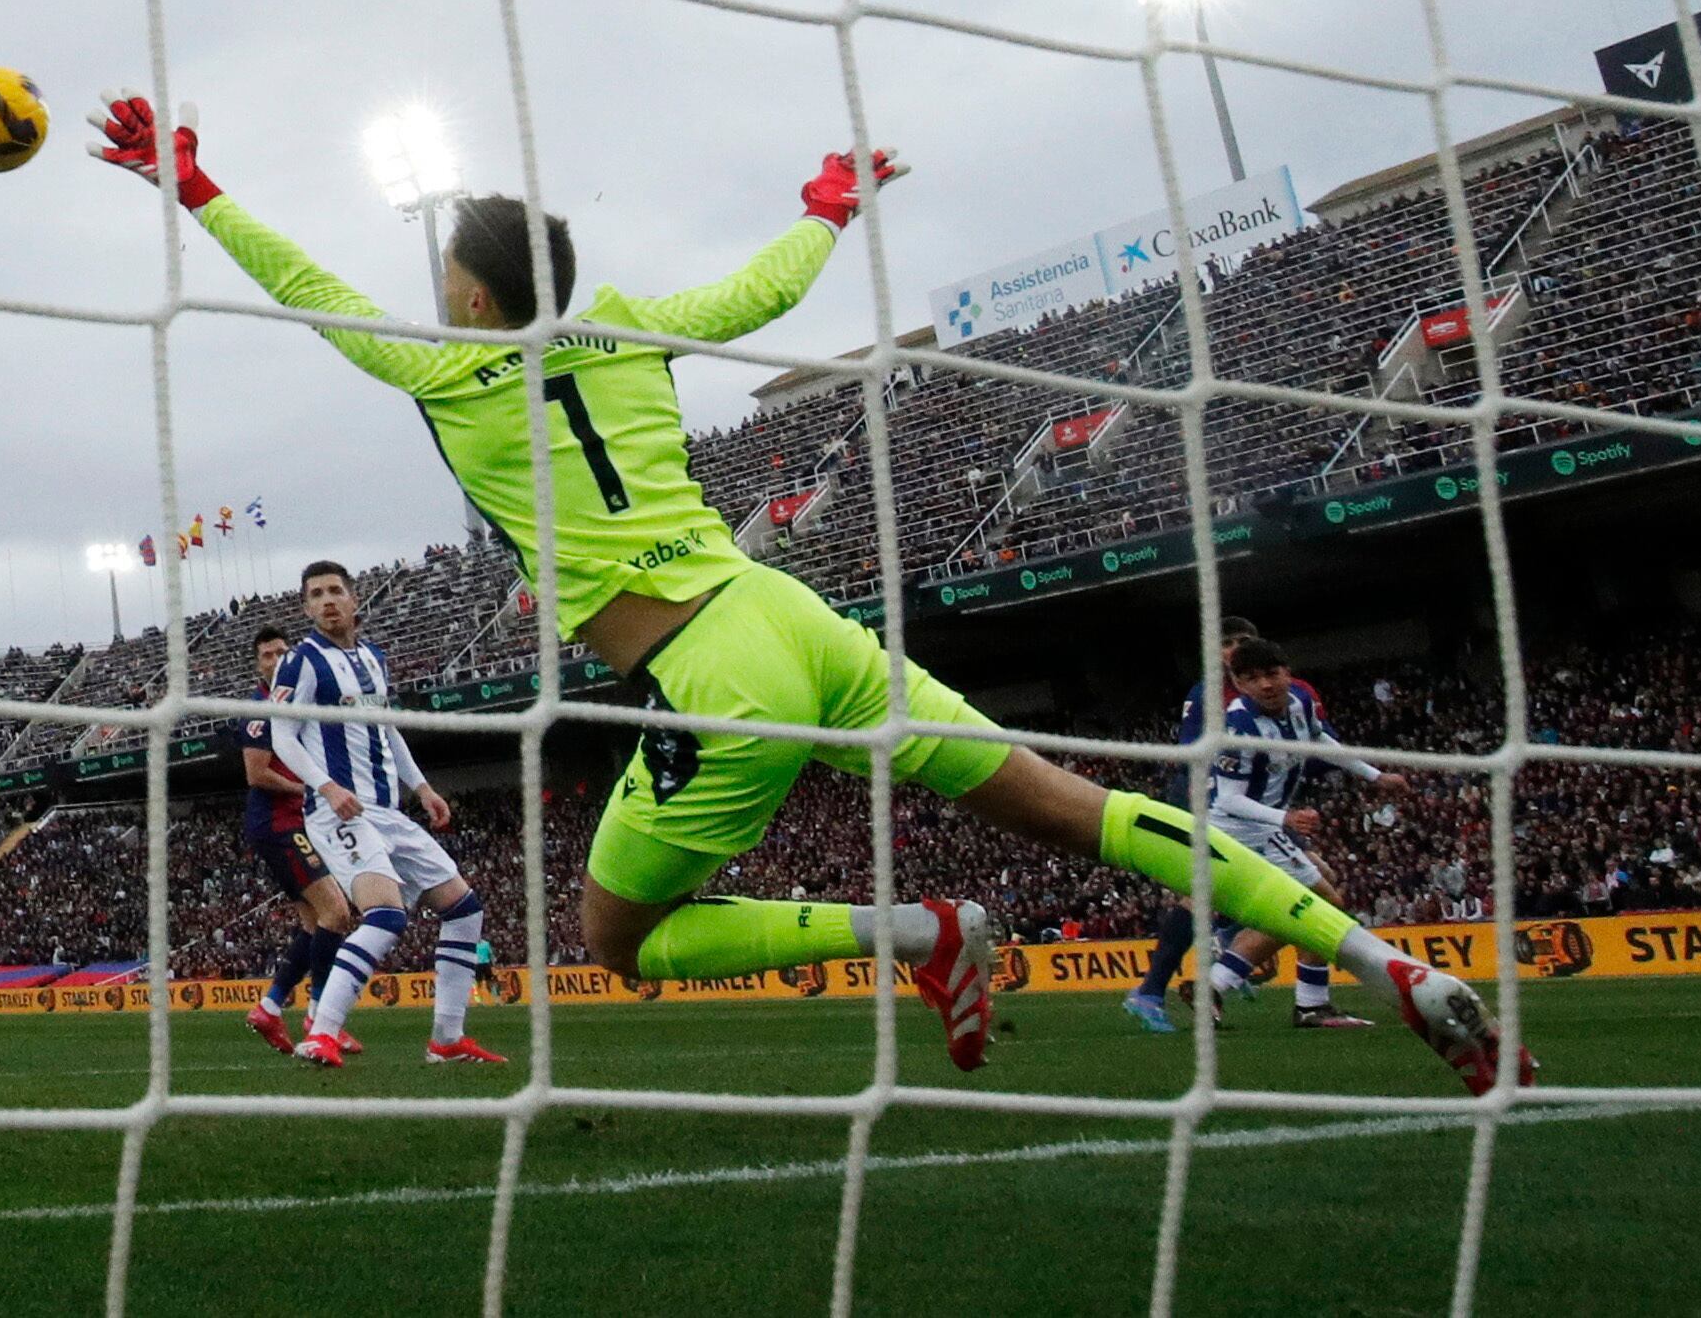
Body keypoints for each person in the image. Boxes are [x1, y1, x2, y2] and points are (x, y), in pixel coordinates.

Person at [91, 99, 1521, 1093]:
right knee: (1067, 800)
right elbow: (760, 293)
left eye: (444, 272)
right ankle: (1376, 959)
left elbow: (299, 283)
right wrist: (827, 209)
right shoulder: (632, 324)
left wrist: (191, 187)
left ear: (467, 298)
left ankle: (916, 930)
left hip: (711, 674)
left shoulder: (435, 365)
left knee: (615, 942)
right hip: (798, 617)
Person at [269, 561, 499, 1068]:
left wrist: (421, 787)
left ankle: (447, 1038)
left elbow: (385, 728)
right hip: (339, 812)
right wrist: (326, 787)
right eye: (315, 595)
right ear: (307, 607)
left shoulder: (372, 658)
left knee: (465, 910)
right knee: (387, 915)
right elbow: (282, 734)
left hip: (387, 811)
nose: (326, 601)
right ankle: (322, 1033)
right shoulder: (301, 662)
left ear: (354, 599)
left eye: (335, 591)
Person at [1196, 639, 1389, 1029]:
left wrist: (1375, 775)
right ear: (1237, 683)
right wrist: (1284, 820)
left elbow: (1318, 740)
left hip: (1265, 826)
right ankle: (1308, 1005)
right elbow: (1230, 800)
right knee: (1324, 904)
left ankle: (1217, 985)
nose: (1265, 685)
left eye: (1271, 674)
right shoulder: (1237, 727)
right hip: (1239, 830)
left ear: (1287, 672)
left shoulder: (1300, 701)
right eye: (1251, 678)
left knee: (1300, 907)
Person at [1123, 616, 1257, 1035]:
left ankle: (1220, 950)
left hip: (1244, 801)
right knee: (1204, 893)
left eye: (1243, 641)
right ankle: (1153, 990)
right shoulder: (1208, 694)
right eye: (1227, 642)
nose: (1235, 648)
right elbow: (1195, 755)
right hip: (1204, 796)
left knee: (1263, 884)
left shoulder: (1253, 692)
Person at [234, 623, 357, 1055]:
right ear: (258, 663)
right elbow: (256, 773)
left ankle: (270, 1008)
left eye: (282, 653)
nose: (275, 661)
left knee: (314, 924)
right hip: (279, 825)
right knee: (337, 912)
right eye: (267, 655)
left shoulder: (296, 701)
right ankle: (320, 1015)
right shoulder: (260, 709)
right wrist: (311, 789)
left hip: (298, 824)